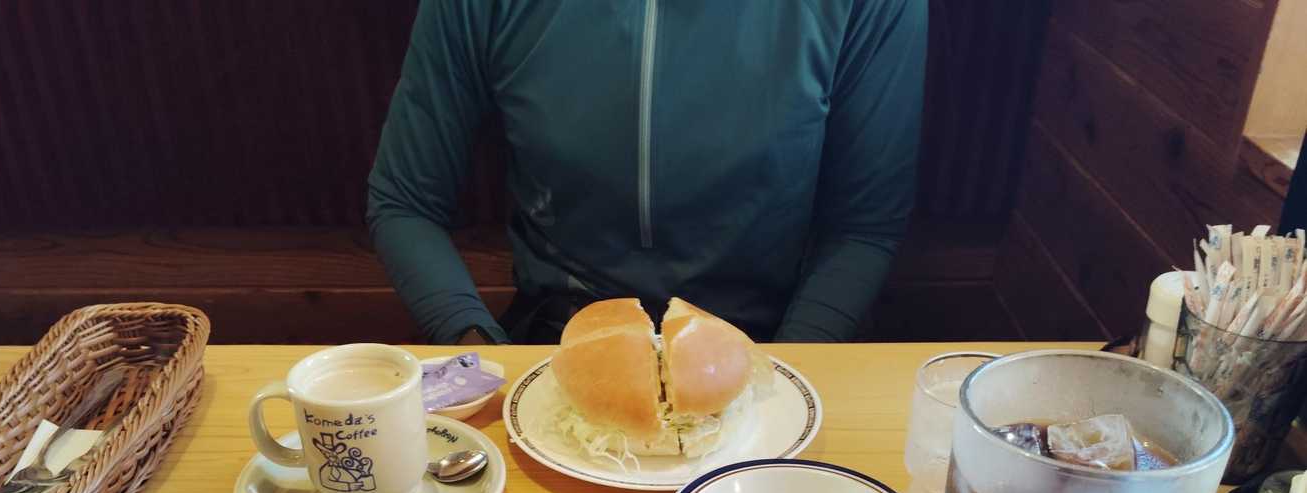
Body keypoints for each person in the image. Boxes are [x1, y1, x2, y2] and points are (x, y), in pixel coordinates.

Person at [367, 0, 926, 346]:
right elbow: (404, 202)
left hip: (768, 339)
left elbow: (864, 225)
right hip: (558, 340)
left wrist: (791, 373)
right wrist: (478, 352)